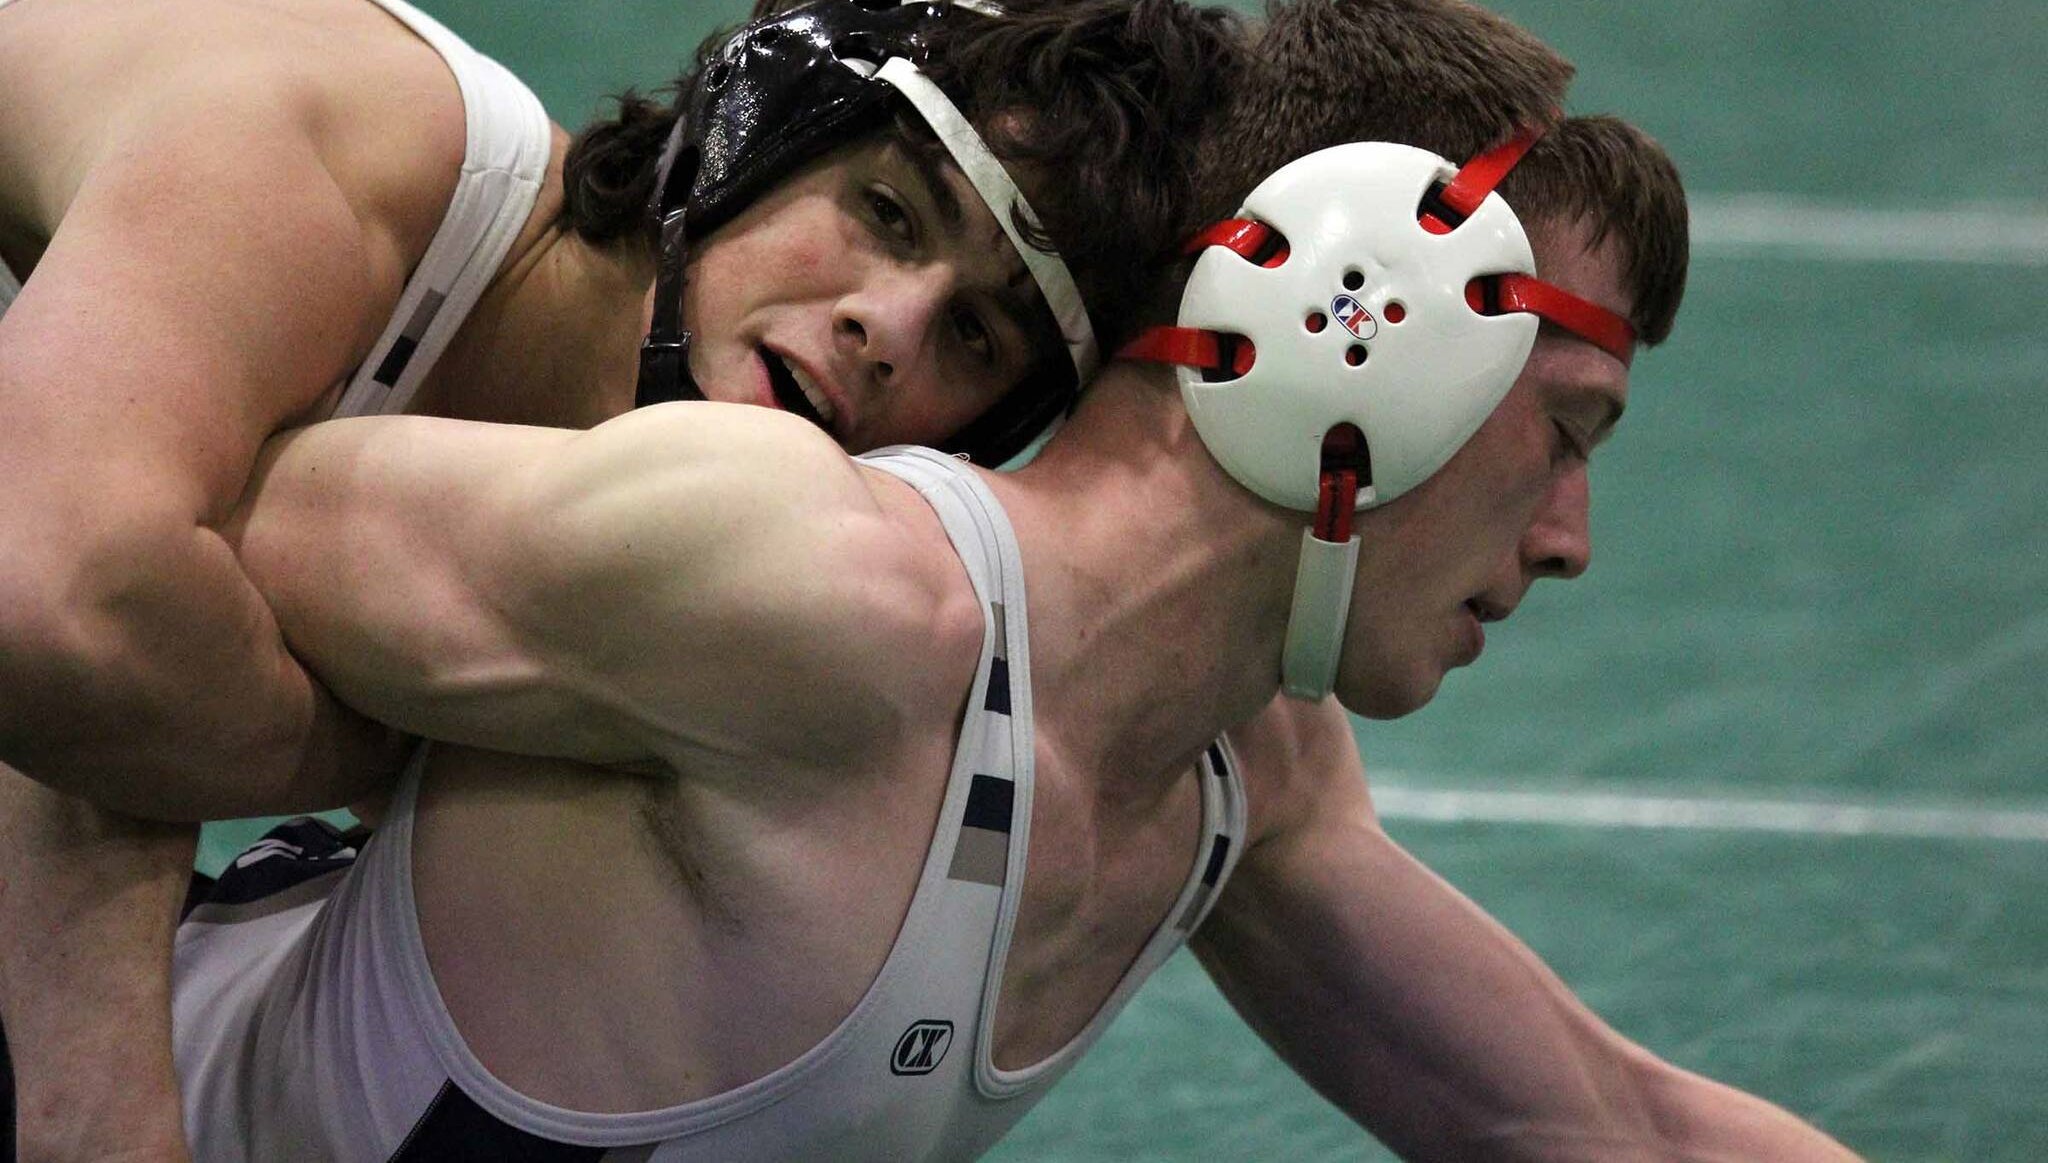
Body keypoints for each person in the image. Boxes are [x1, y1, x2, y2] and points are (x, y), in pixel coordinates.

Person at [167, 108, 1859, 1161]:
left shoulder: (1232, 778)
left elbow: (1596, 1128)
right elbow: (107, 544)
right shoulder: (810, 590)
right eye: (1563, 433)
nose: (1568, 541)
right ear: (1364, 339)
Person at [0, 0, 1238, 1159]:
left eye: (976, 335)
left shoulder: (670, 546)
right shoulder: (351, 134)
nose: (890, 326)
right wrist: (103, 1111)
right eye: (887, 214)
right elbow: (58, 609)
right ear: (755, 123)